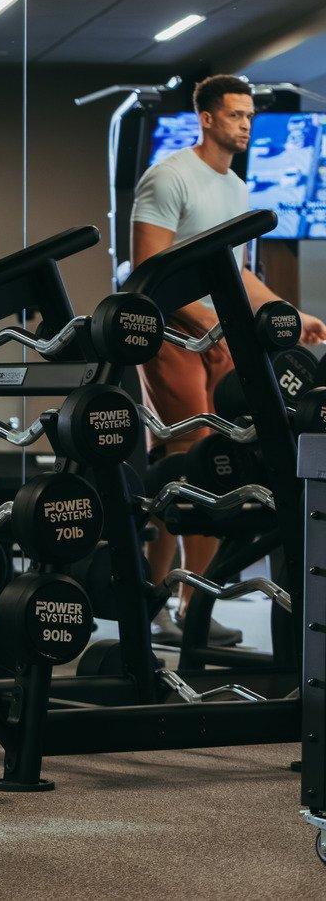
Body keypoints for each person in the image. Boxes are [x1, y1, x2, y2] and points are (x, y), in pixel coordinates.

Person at [132, 74, 326, 644]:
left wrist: (287, 313)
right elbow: (148, 271)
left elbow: (237, 273)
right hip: (173, 333)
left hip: (221, 334)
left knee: (206, 463)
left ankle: (175, 597)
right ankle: (174, 600)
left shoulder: (237, 190)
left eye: (249, 116)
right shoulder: (168, 178)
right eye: (235, 115)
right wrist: (209, 324)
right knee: (195, 456)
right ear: (207, 119)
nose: (245, 125)